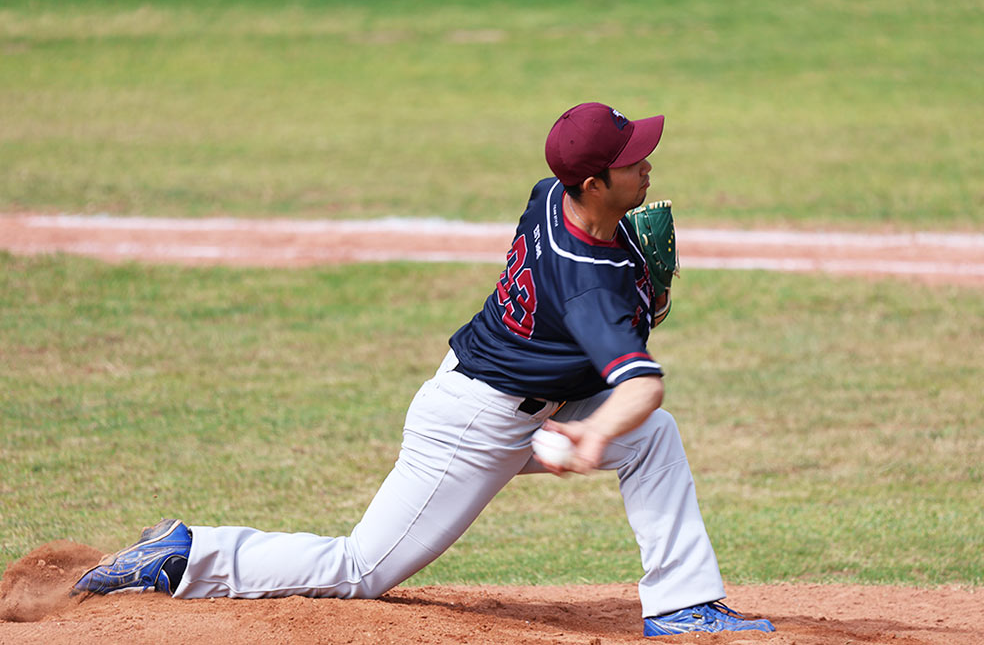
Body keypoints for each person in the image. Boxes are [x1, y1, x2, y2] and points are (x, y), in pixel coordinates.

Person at [73, 102, 775, 637]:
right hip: (473, 423)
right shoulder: (590, 279)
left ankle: (682, 605)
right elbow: (640, 383)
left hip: (525, 399)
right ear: (594, 182)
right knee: (361, 569)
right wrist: (591, 435)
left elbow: (604, 328)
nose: (647, 163)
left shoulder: (552, 195)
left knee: (654, 440)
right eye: (631, 160)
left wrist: (643, 299)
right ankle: (189, 555)